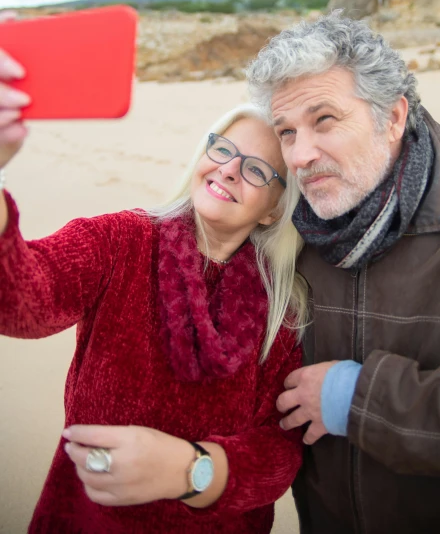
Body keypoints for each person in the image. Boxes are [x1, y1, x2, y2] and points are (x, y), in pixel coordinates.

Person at [0, 44, 308, 534]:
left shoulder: (282, 309)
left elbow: (278, 450)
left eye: (255, 169)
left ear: (274, 208)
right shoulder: (120, 241)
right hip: (88, 520)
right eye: (223, 149)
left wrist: (188, 469)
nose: (229, 168)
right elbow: (25, 301)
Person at [246, 11, 440, 534]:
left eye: (324, 119)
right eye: (286, 131)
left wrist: (358, 399)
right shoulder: (287, 233)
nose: (301, 156)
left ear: (393, 116)